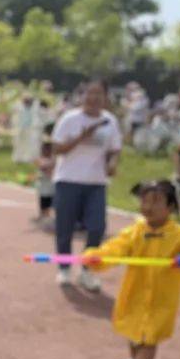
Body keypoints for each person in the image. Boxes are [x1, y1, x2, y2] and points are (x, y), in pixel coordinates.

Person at [82, 180, 180, 359]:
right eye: (145, 201)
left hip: (162, 298)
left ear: (170, 208)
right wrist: (97, 258)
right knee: (133, 332)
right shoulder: (134, 231)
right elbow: (115, 249)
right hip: (135, 293)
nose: (148, 206)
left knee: (150, 337)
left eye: (156, 201)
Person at [51, 79, 123, 291]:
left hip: (96, 183)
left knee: (97, 227)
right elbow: (57, 149)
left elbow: (115, 149)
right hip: (68, 181)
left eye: (98, 94)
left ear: (105, 97)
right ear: (81, 96)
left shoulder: (110, 121)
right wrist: (82, 137)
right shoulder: (70, 119)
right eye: (89, 93)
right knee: (65, 227)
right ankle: (64, 269)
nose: (93, 98)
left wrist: (112, 163)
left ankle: (87, 271)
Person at [11, 94, 48, 164]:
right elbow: (14, 113)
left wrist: (40, 125)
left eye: (28, 100)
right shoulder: (18, 105)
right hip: (20, 128)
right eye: (25, 100)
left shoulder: (37, 106)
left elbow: (44, 115)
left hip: (33, 129)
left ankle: (31, 159)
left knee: (32, 145)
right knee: (19, 143)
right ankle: (18, 158)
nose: (26, 101)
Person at [34, 135, 56, 224]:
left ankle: (47, 214)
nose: (46, 151)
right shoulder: (41, 160)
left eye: (48, 150)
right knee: (43, 200)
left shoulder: (53, 160)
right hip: (43, 186)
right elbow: (42, 166)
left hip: (51, 186)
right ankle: (43, 214)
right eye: (44, 149)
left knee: (50, 200)